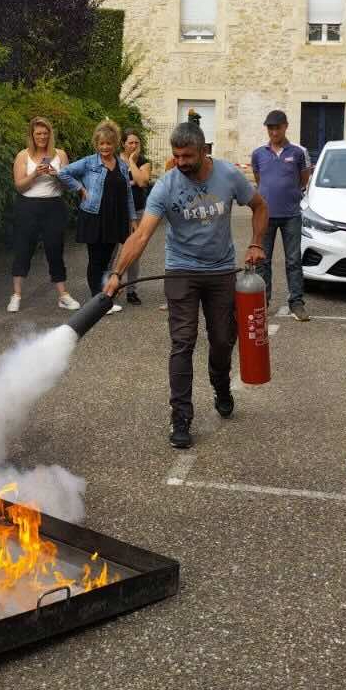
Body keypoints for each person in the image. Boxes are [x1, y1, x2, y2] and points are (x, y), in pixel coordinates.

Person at [103, 121, 268, 448]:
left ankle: (220, 384)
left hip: (221, 271)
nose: (180, 162)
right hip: (180, 270)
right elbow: (142, 235)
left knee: (223, 339)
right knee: (183, 341)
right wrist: (117, 274)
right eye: (176, 156)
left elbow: (260, 206)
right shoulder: (166, 186)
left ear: (204, 150)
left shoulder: (229, 176)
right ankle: (181, 417)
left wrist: (257, 243)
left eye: (187, 156)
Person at [58, 120, 137, 310]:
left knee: (108, 259)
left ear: (115, 143)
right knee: (96, 260)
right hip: (94, 216)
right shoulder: (88, 162)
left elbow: (128, 194)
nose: (105, 147)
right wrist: (80, 189)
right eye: (101, 143)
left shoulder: (122, 165)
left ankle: (104, 296)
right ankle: (97, 301)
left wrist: (133, 218)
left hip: (116, 217)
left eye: (109, 143)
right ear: (96, 144)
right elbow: (63, 173)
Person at [8, 117, 81, 313]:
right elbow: (19, 186)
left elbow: (68, 185)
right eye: (38, 133)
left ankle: (63, 295)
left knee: (55, 249)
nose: (42, 136)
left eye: (45, 133)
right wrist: (35, 175)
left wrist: (57, 175)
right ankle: (16, 295)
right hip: (28, 205)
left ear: (50, 135)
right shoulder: (23, 156)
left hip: (53, 205)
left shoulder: (60, 155)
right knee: (23, 249)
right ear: (32, 135)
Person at [249, 109, 311, 320]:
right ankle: (262, 302)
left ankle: (296, 303)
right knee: (262, 261)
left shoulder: (297, 153)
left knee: (293, 260)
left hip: (291, 214)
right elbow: (259, 180)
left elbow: (303, 178)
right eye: (270, 128)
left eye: (277, 127)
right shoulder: (258, 154)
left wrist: (290, 194)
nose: (274, 132)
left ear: (285, 126)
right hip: (265, 215)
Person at [120, 129, 152, 305]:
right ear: (123, 143)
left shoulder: (143, 161)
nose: (133, 146)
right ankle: (109, 286)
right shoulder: (114, 159)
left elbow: (142, 181)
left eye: (136, 143)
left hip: (138, 210)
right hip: (116, 211)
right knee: (111, 252)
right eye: (130, 142)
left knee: (134, 252)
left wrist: (131, 161)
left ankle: (131, 290)